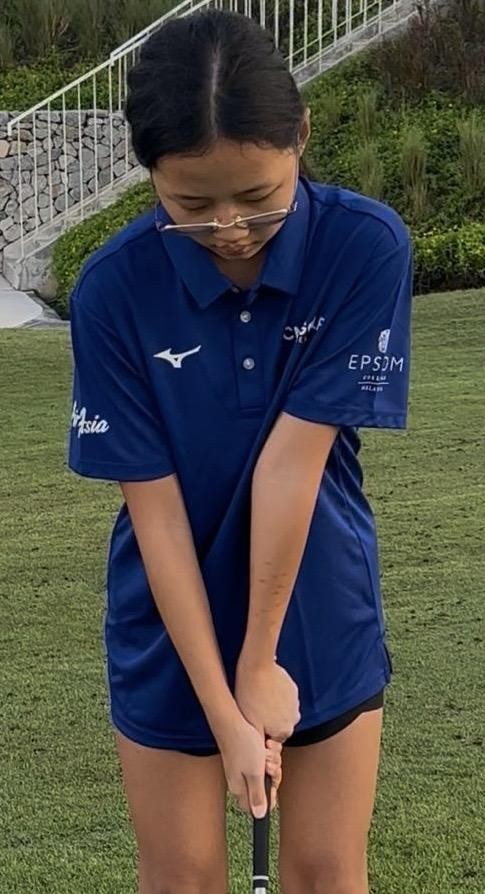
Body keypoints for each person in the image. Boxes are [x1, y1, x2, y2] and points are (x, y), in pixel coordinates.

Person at [67, 8, 413, 894]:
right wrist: (225, 710)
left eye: (258, 197)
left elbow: (290, 464)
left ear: (301, 136)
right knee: (180, 878)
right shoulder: (113, 289)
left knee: (326, 874)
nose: (228, 227)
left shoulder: (362, 246)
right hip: (169, 625)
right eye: (191, 205)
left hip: (317, 608)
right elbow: (154, 512)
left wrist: (258, 661)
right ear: (148, 170)